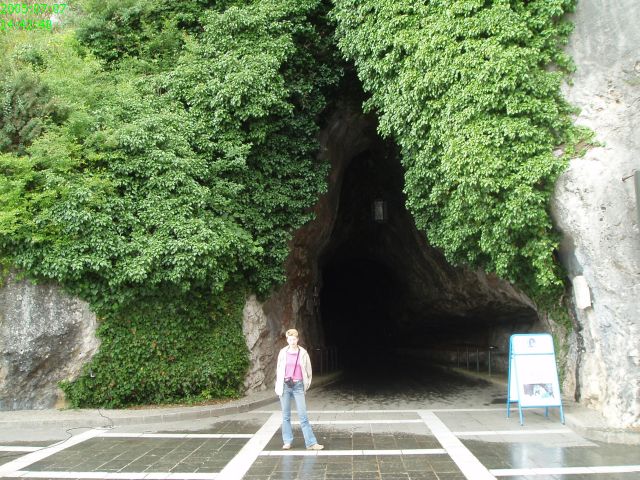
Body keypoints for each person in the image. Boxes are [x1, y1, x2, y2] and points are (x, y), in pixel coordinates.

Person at [275, 328, 324, 450]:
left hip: (298, 386)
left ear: (297, 339)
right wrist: (279, 383)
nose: (292, 342)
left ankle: (311, 443)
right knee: (286, 415)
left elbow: (308, 371)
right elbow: (279, 369)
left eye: (294, 339)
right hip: (285, 386)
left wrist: (305, 385)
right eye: (290, 339)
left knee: (303, 415)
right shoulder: (282, 352)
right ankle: (287, 441)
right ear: (287, 340)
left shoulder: (303, 353)